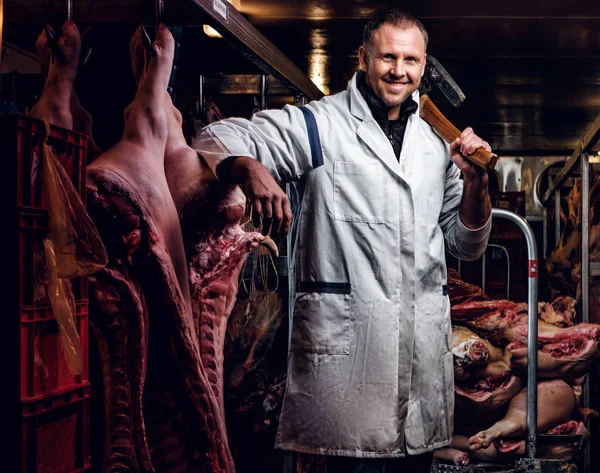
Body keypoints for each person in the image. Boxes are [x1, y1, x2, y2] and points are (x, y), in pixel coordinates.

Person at [193, 9, 492, 473]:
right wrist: (248, 167)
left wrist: (476, 183)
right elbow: (216, 135)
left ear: (424, 64)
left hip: (420, 380)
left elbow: (466, 245)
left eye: (410, 60)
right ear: (363, 57)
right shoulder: (321, 125)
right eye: (387, 57)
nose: (399, 70)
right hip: (345, 380)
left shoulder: (436, 146)